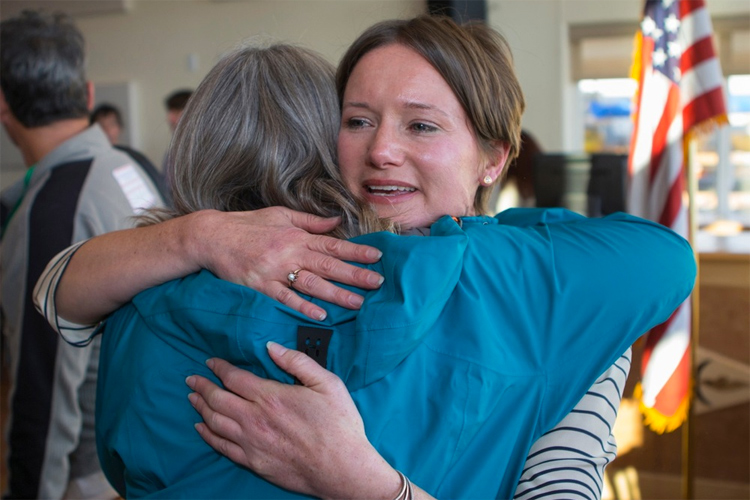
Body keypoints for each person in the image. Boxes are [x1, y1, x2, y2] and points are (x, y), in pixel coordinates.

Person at [33, 16, 695, 499]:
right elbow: (55, 290)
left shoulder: (564, 302)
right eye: (357, 120)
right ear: (324, 142)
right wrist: (197, 236)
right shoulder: (197, 273)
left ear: (496, 156)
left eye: (422, 125)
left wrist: (370, 485)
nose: (381, 150)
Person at [0, 10, 165, 499]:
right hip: (142, 436)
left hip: (83, 468)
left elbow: (43, 389)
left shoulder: (53, 211)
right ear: (89, 94)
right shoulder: (129, 165)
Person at [90, 102, 170, 203]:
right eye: (101, 125)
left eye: (112, 124)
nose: (107, 130)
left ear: (120, 127)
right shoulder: (93, 162)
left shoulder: (133, 158)